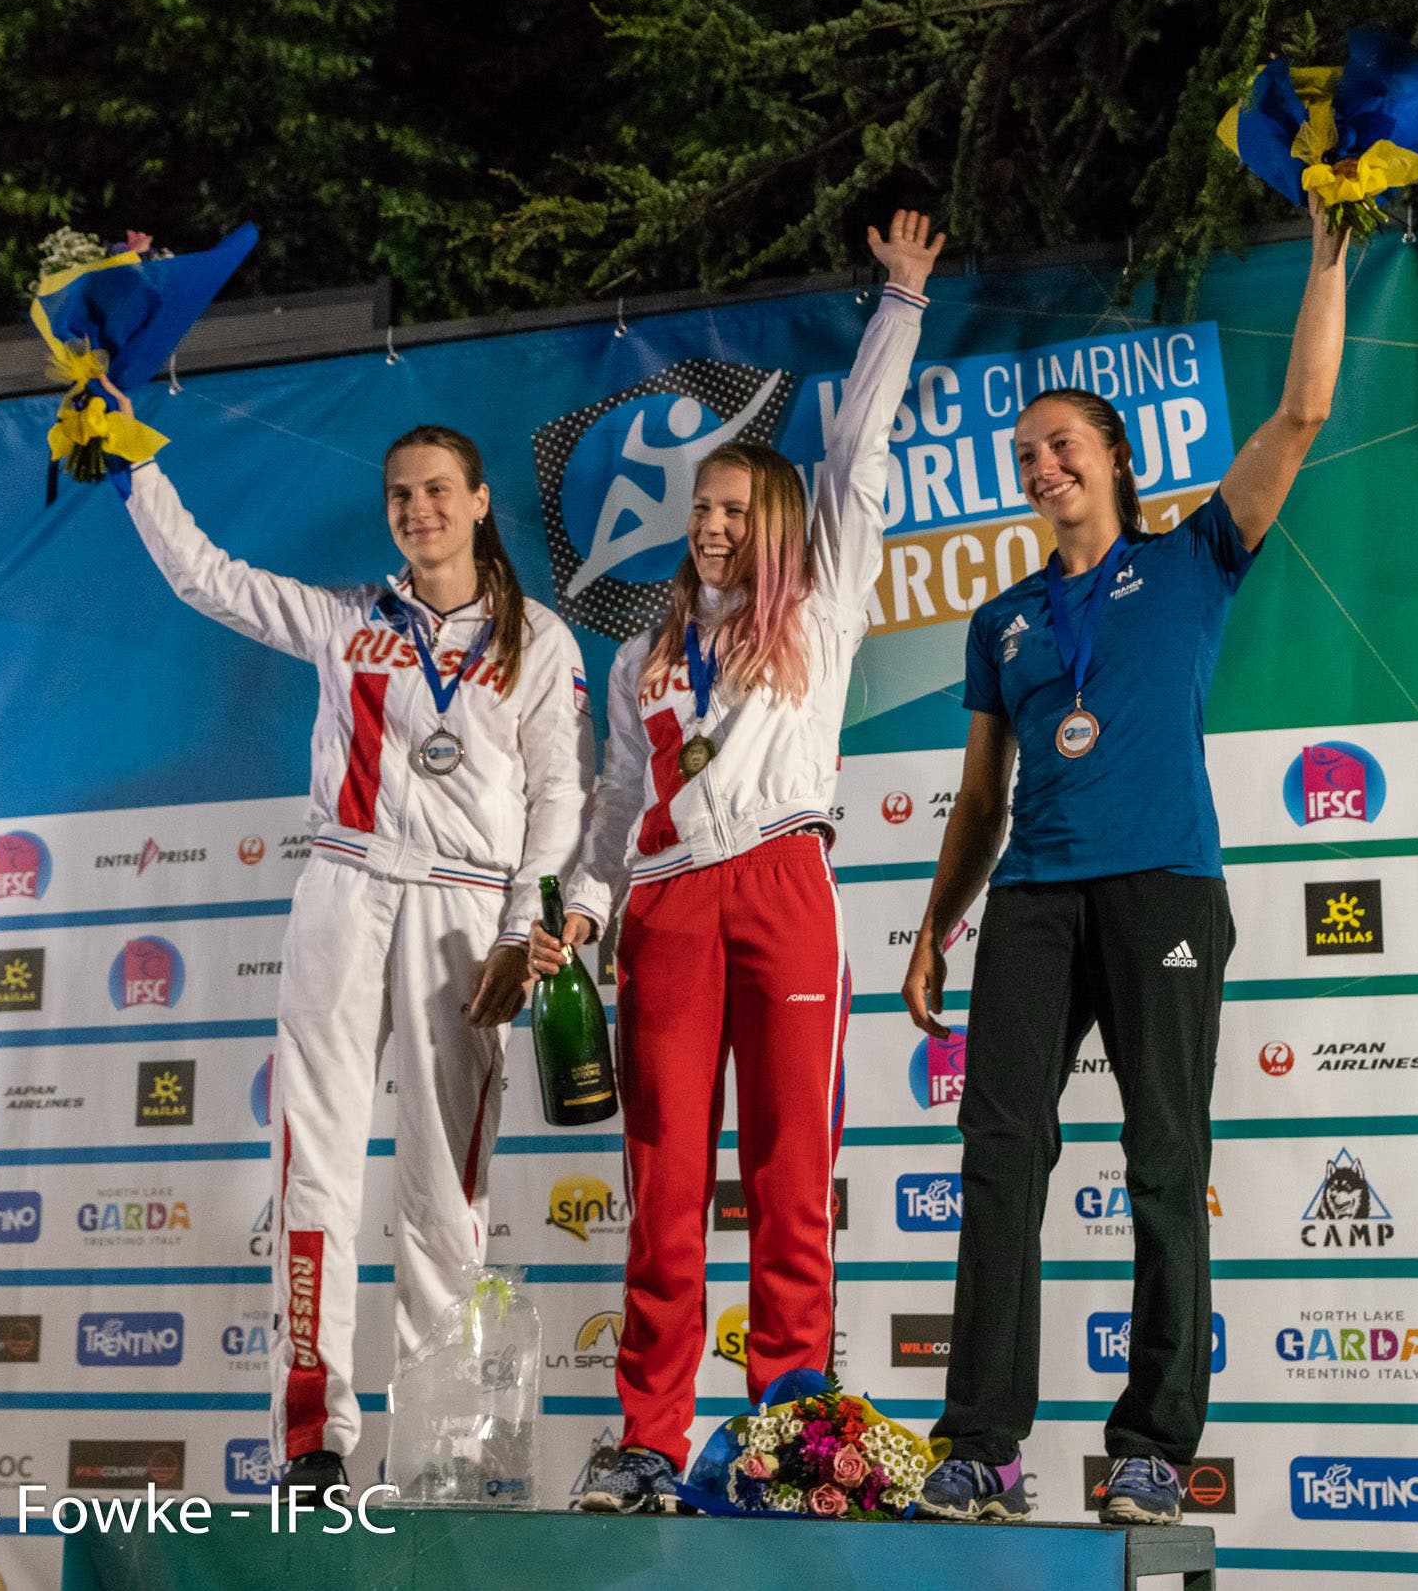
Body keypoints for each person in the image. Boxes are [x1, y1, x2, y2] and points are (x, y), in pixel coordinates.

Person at [902, 198, 1350, 1524]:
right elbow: (983, 795)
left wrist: (1330, 258)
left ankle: (1153, 1445)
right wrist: (936, 922)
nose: (1037, 464)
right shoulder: (1004, 621)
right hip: (1032, 896)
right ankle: (980, 1443)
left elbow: (1302, 413)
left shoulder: (1197, 557)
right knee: (1001, 1158)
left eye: (1059, 445)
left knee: (1163, 1154)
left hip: (1163, 885)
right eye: (1022, 452)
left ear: (1114, 457)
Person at [528, 211, 944, 1513]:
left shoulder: (817, 605)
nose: (708, 523)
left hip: (780, 881)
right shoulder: (639, 655)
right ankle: (650, 1439)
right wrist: (585, 919)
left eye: (729, 504)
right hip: (662, 910)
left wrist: (900, 308)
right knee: (661, 1190)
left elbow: (859, 458)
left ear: (768, 514)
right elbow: (612, 804)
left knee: (785, 1174)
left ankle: (786, 1434)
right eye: (698, 507)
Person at [115, 424, 593, 1498]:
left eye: (436, 491)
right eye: (398, 495)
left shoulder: (540, 640)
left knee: (444, 1187)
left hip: (467, 908)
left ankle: (440, 1444)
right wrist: (136, 464)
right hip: (344, 883)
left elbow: (560, 796)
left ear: (478, 502)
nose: (416, 510)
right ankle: (310, 1442)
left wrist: (527, 928)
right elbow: (209, 582)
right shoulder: (345, 620)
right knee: (315, 1170)